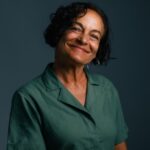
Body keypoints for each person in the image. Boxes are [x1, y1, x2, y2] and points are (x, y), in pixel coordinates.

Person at [7, 2, 128, 150]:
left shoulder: (107, 89)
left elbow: (119, 146)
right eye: (76, 28)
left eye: (94, 36)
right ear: (59, 32)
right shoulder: (29, 97)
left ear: (98, 48)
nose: (83, 40)